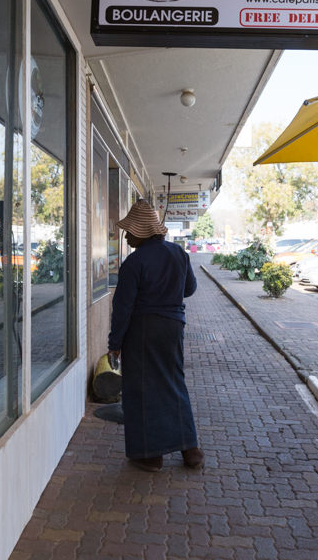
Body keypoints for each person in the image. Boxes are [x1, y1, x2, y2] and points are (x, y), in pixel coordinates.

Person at [107, 199, 201, 472]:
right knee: (174, 383)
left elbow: (122, 307)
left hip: (143, 330)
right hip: (173, 327)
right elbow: (190, 289)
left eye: (130, 230)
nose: (126, 235)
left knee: (143, 390)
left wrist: (115, 344)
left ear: (142, 231)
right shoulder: (179, 253)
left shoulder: (134, 262)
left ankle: (151, 456)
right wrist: (167, 294)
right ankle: (191, 450)